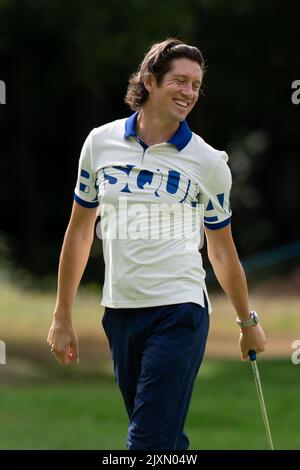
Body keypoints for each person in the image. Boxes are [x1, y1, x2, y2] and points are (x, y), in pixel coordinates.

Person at [47, 38, 267, 450]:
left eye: (196, 85)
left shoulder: (209, 162)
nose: (188, 92)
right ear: (150, 80)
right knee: (162, 440)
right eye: (179, 81)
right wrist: (62, 315)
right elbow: (79, 232)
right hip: (120, 312)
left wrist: (246, 323)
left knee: (147, 442)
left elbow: (221, 250)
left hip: (180, 310)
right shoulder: (100, 143)